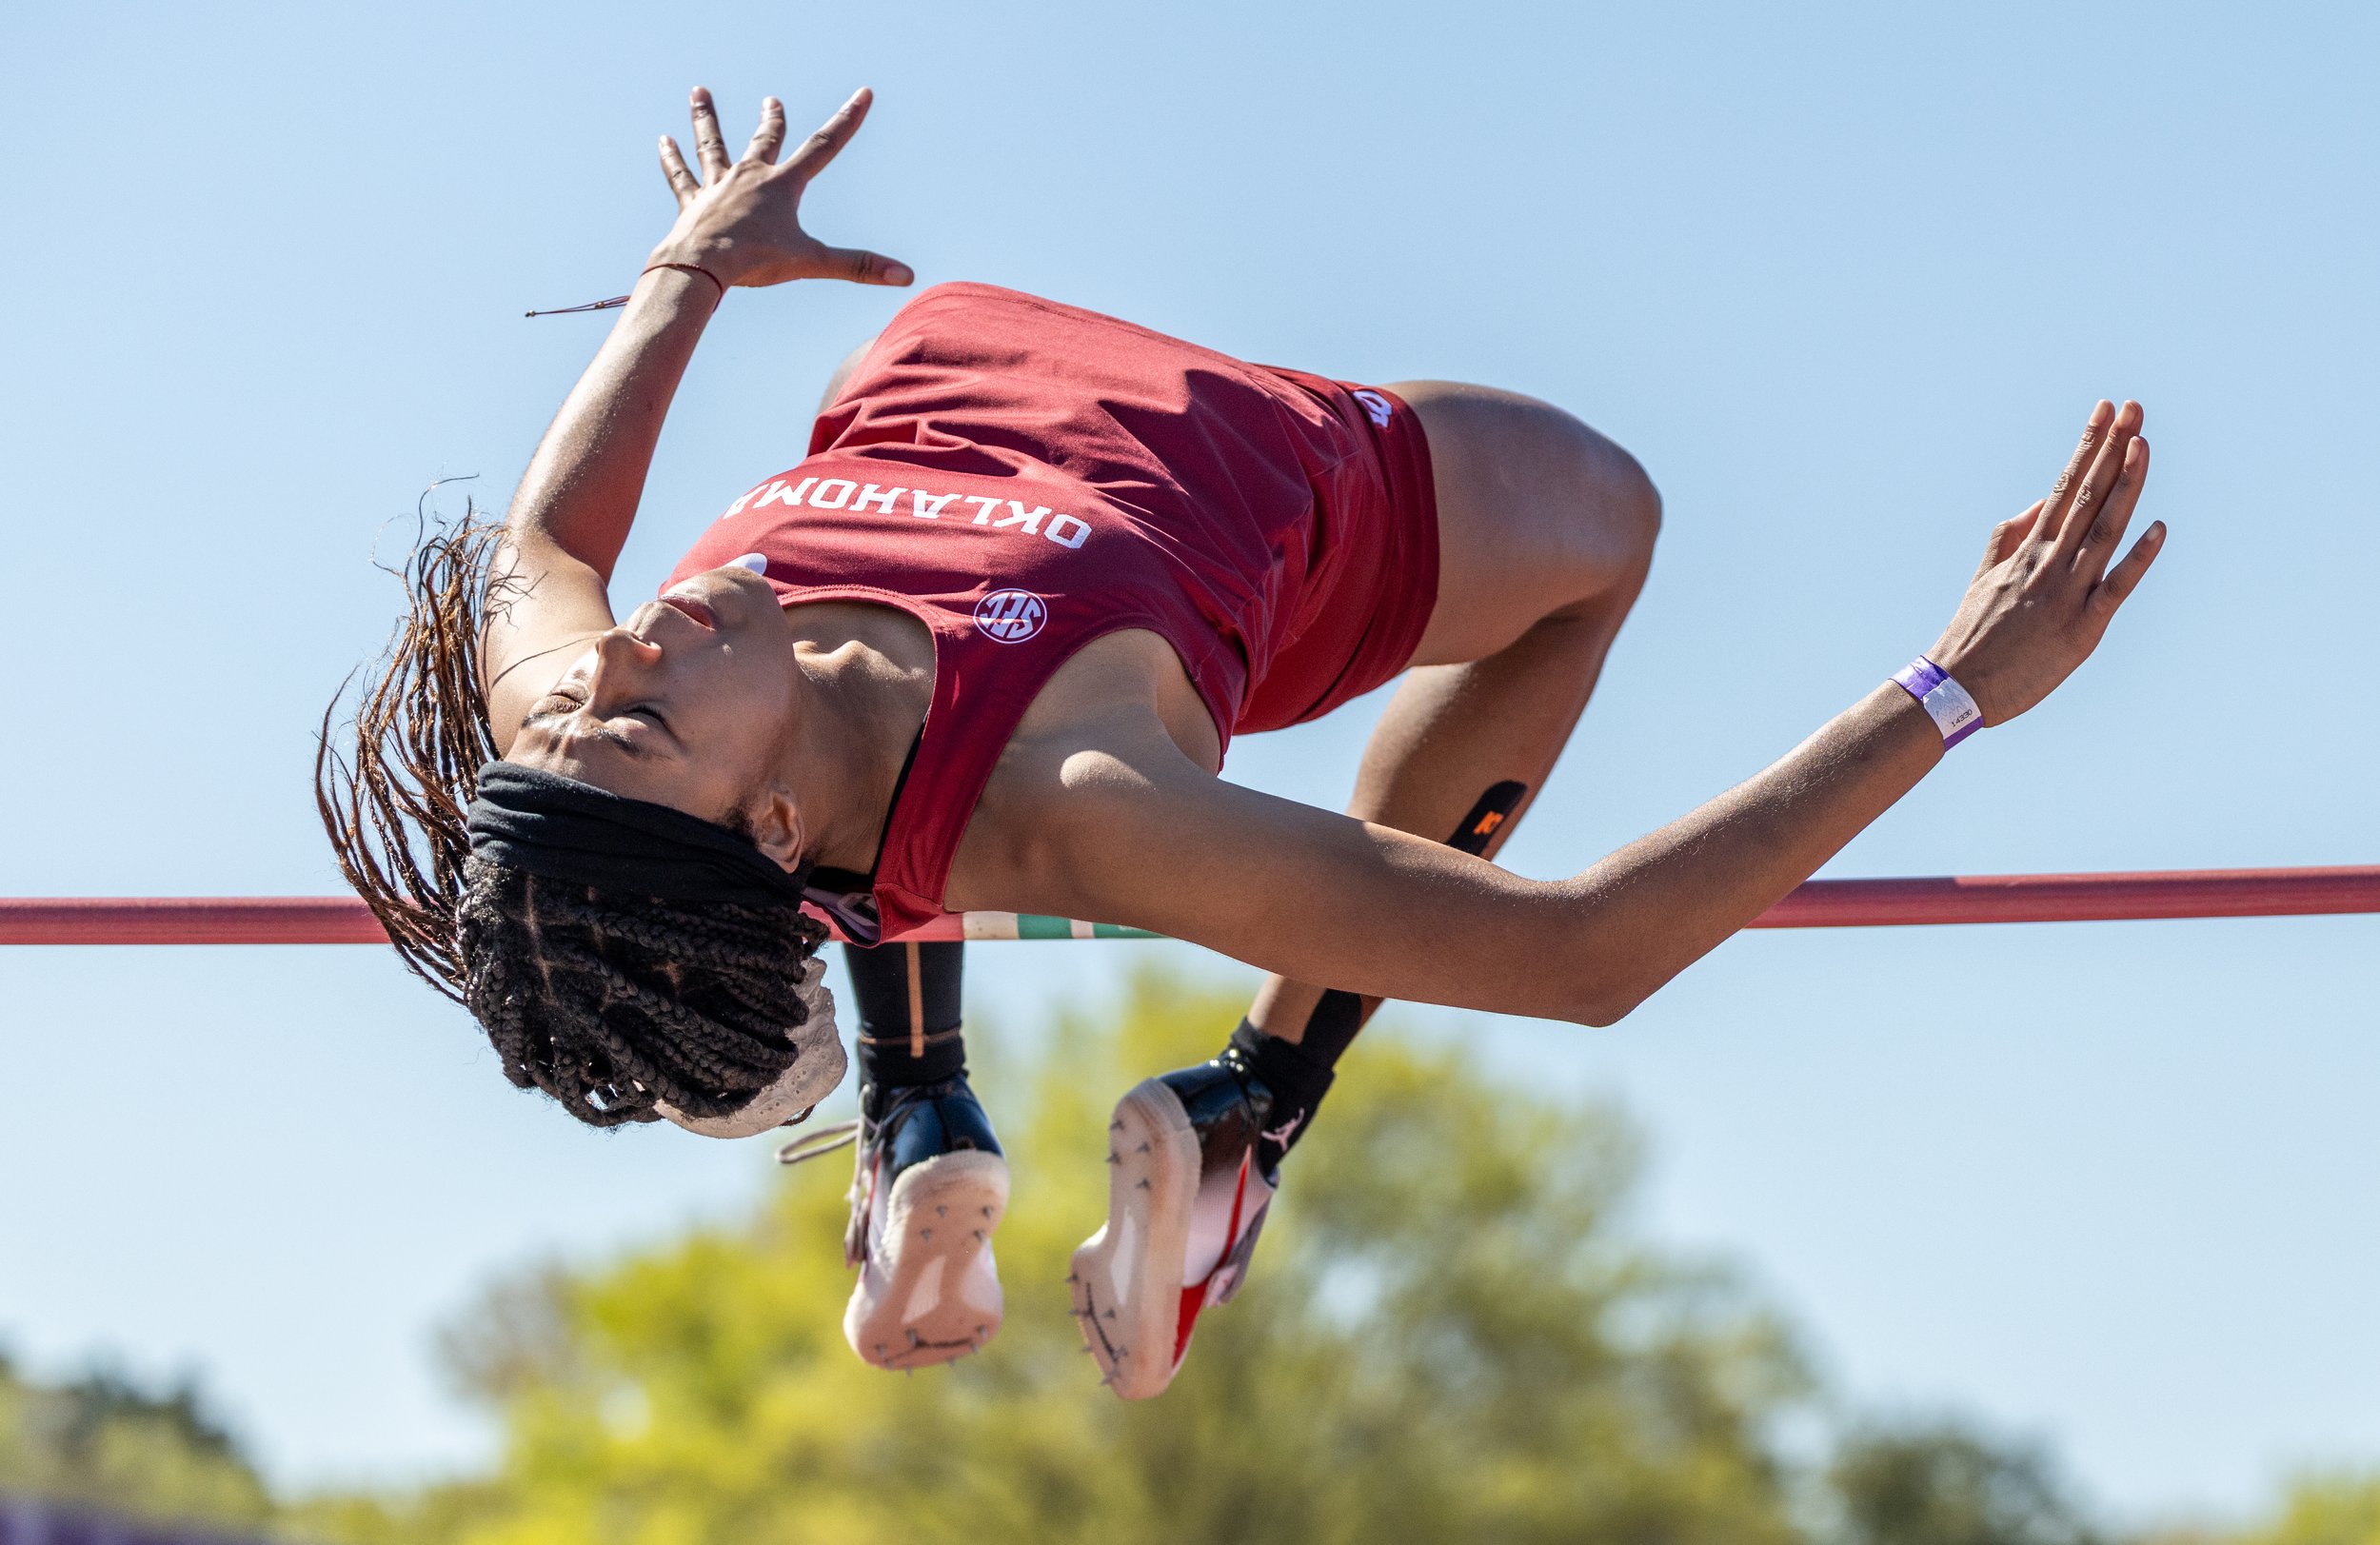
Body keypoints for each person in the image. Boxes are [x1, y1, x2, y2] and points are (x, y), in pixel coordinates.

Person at [318, 85, 2163, 1398]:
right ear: (765, 809)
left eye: (595, 686)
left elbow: (542, 548)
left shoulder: (570, 728)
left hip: (955, 399)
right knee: (1608, 523)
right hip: (1275, 489)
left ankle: (914, 1097)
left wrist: (690, 267)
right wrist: (1947, 684)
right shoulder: (1086, 802)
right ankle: (1252, 1106)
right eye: (642, 707)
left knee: (825, 797)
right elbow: (1582, 953)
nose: (631, 635)